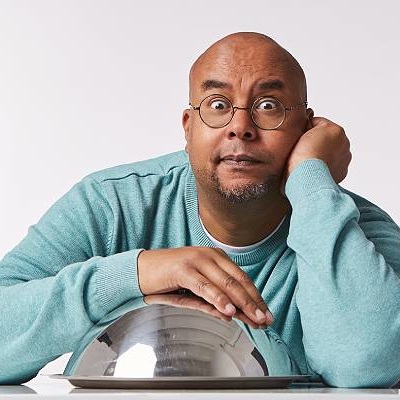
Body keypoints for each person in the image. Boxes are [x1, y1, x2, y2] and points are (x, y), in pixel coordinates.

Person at [0, 32, 399, 388]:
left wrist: (311, 178)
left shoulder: (352, 228)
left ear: (306, 130)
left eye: (269, 105)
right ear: (188, 127)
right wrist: (136, 272)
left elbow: (370, 364)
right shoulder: (112, 205)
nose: (240, 127)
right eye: (218, 104)